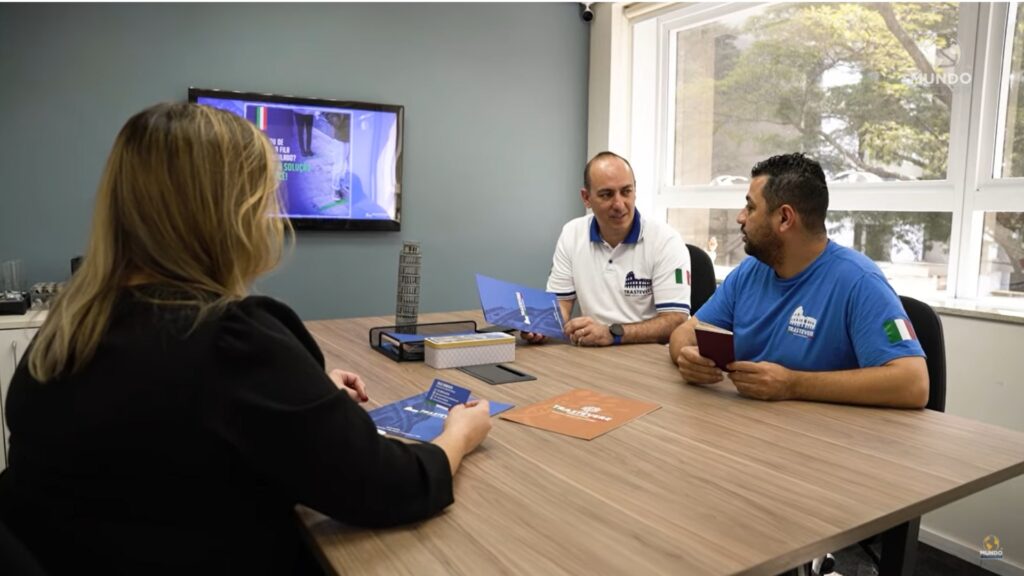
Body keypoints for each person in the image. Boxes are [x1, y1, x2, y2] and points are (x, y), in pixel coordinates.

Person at [0, 103, 493, 574]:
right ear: (231, 212)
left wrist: (301, 389)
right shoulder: (229, 340)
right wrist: (458, 437)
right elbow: (388, 486)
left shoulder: (68, 330)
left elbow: (171, 413)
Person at [669, 153, 929, 408]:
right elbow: (685, 332)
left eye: (750, 207)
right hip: (749, 429)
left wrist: (793, 384)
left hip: (822, 440)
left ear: (784, 218)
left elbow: (914, 383)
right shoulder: (749, 272)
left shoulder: (860, 281)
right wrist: (687, 357)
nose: (740, 217)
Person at [526, 151, 691, 346]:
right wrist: (541, 325)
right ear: (586, 198)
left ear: (635, 191)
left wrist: (613, 333)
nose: (619, 204)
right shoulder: (572, 233)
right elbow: (561, 304)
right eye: (607, 195)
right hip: (592, 352)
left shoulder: (666, 241)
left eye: (626, 191)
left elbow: (675, 321)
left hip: (647, 357)